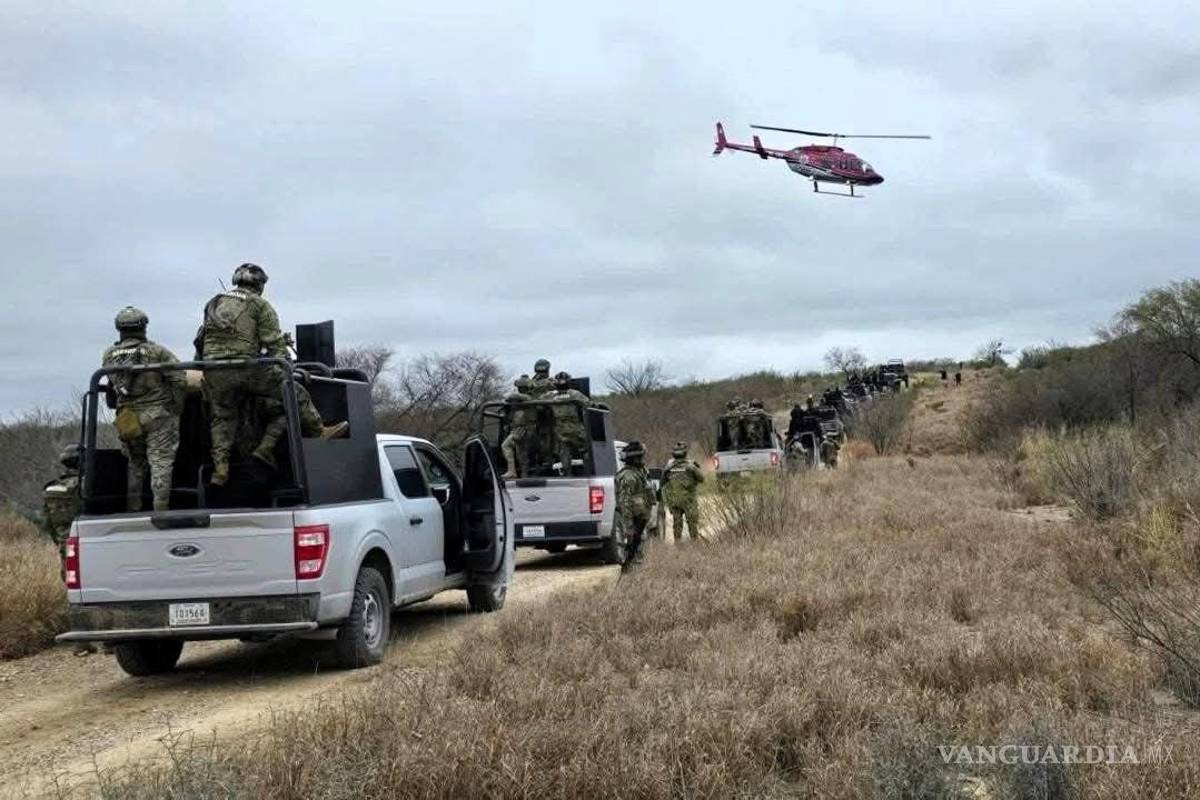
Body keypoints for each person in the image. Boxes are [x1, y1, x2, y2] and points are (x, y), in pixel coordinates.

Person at [196, 263, 347, 485]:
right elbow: (275, 344)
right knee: (295, 392)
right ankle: (319, 430)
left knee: (222, 419)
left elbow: (201, 339)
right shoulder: (259, 305)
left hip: (215, 372)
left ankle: (221, 469)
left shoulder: (214, 303)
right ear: (260, 284)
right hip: (246, 369)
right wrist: (288, 369)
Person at [102, 306, 184, 511]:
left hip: (127, 418)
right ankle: (160, 511)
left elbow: (112, 387)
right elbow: (179, 379)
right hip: (157, 416)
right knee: (160, 463)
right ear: (143, 327)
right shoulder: (157, 351)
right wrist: (176, 407)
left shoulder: (109, 354)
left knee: (135, 464)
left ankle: (133, 509)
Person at [615, 440, 655, 572]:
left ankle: (638, 572)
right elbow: (625, 503)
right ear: (635, 458)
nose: (642, 459)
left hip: (641, 519)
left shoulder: (640, 472)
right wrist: (629, 527)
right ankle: (633, 576)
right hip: (633, 522)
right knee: (635, 549)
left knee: (640, 547)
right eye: (640, 457)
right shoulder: (627, 477)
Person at [42, 444, 82, 553]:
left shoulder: (51, 488)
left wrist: (61, 542)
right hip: (85, 542)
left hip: (65, 544)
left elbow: (47, 524)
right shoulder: (85, 486)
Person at [661, 441, 704, 541]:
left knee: (677, 524)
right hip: (689, 501)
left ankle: (678, 545)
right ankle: (694, 544)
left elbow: (662, 482)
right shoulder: (691, 467)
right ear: (685, 453)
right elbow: (702, 479)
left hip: (675, 501)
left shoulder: (668, 468)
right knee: (692, 523)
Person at [547, 371, 590, 471]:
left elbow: (539, 401)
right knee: (585, 450)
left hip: (560, 429)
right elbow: (588, 403)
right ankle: (589, 471)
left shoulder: (550, 395)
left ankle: (567, 473)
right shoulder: (575, 394)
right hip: (576, 427)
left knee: (564, 452)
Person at [500, 377, 533, 479]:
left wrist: (511, 397)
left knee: (506, 446)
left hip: (523, 429)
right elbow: (506, 399)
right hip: (517, 429)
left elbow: (514, 396)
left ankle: (512, 471)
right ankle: (522, 474)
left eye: (521, 387)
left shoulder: (527, 397)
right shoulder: (517, 402)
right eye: (519, 387)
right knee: (521, 455)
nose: (519, 389)